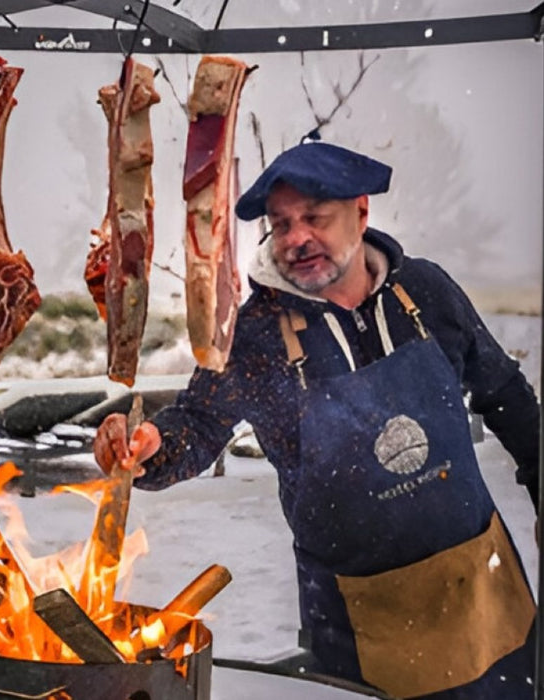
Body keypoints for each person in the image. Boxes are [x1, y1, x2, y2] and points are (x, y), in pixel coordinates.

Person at [94, 138, 540, 699]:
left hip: (485, 594)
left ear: (360, 212)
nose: (296, 237)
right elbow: (199, 424)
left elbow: (506, 395)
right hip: (360, 620)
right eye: (280, 225)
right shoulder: (255, 332)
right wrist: (152, 445)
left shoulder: (424, 292)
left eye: (314, 218)